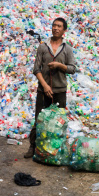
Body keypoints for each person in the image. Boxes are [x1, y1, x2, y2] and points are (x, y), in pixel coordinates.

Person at [24, 17, 76, 158]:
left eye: (59, 26)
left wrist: (60, 66)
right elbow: (36, 69)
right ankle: (33, 147)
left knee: (58, 122)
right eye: (54, 25)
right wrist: (45, 85)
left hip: (60, 90)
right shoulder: (43, 47)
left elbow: (72, 68)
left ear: (64, 30)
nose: (56, 28)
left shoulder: (67, 49)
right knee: (39, 119)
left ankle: (57, 150)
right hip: (43, 90)